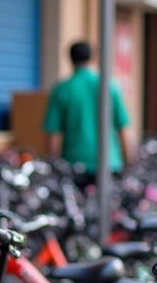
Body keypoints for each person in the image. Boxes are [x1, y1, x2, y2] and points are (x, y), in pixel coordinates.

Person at [43, 41, 132, 181]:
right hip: (109, 162)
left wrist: (53, 166)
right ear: (92, 58)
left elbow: (53, 133)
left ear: (70, 59)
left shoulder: (61, 89)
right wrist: (128, 161)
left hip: (74, 164)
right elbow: (122, 127)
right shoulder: (109, 86)